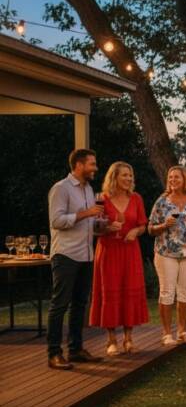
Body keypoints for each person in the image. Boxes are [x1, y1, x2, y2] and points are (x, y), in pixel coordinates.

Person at [46, 149, 104, 369]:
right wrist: (86, 214)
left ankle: (76, 349)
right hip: (66, 254)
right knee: (59, 304)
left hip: (86, 254)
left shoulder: (89, 189)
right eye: (92, 164)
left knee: (80, 305)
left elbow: (88, 222)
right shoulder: (61, 188)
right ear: (79, 165)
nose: (95, 168)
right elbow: (56, 221)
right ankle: (53, 353)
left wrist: (100, 225)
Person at [89, 162, 149, 355]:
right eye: (124, 175)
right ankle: (111, 340)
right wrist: (107, 228)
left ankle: (129, 339)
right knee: (110, 292)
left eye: (130, 176)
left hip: (130, 251)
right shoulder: (101, 199)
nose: (128, 179)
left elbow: (143, 225)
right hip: (108, 251)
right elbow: (94, 228)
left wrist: (135, 231)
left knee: (129, 291)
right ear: (113, 177)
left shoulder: (136, 198)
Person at [148, 166, 186, 346]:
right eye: (170, 177)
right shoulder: (162, 202)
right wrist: (164, 225)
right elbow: (150, 229)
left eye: (177, 177)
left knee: (185, 293)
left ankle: (182, 331)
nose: (173, 180)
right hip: (166, 253)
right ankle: (166, 333)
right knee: (167, 292)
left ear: (184, 179)